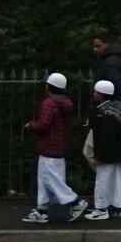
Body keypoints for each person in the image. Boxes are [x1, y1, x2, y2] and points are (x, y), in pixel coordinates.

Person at [22, 72, 88, 223]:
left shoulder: (49, 103)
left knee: (51, 179)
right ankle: (41, 210)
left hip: (48, 146)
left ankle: (76, 202)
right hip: (60, 145)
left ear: (49, 86)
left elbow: (44, 125)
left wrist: (31, 125)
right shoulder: (65, 102)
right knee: (45, 179)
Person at [83, 79, 121, 220]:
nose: (94, 94)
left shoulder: (102, 113)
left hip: (107, 154)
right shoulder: (119, 109)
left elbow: (104, 138)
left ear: (101, 94)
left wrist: (99, 155)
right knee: (116, 180)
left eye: (96, 92)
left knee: (102, 180)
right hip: (120, 154)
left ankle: (102, 208)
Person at [91, 36, 121, 102]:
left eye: (98, 46)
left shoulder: (111, 62)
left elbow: (116, 85)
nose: (95, 49)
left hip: (111, 103)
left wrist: (102, 95)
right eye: (94, 46)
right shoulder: (107, 60)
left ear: (107, 44)